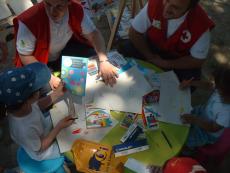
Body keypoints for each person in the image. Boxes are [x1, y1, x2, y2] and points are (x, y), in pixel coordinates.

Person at [13, 0, 118, 89]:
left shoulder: (76, 9)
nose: (52, 11)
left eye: (59, 6)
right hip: (39, 61)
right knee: (40, 90)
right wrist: (48, 75)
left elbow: (94, 34)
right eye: (48, 4)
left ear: (68, 3)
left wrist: (104, 60)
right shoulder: (29, 20)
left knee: (94, 59)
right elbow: (25, 55)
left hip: (63, 52)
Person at [118, 0, 215, 81]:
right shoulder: (156, 3)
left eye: (175, 7)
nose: (166, 8)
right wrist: (150, 56)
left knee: (191, 78)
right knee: (125, 48)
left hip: (177, 58)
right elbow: (134, 32)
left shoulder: (201, 24)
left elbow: (197, 60)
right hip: (151, 47)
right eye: (167, 0)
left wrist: (166, 64)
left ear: (189, 8)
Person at [0, 62, 74, 161]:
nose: (40, 91)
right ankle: (67, 162)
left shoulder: (20, 107)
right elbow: (41, 147)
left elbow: (38, 105)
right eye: (38, 89)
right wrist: (59, 127)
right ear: (28, 99)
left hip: (42, 129)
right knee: (72, 147)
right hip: (45, 151)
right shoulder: (23, 129)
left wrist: (57, 94)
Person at [180, 63, 230, 150]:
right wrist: (191, 83)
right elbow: (209, 85)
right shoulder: (222, 86)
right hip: (202, 111)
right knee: (179, 116)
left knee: (184, 140)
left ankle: (188, 150)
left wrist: (194, 120)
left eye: (218, 88)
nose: (215, 88)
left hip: (206, 133)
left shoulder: (227, 113)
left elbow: (213, 128)